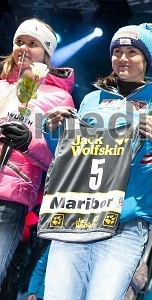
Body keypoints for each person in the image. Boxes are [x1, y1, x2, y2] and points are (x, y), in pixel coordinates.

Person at [42, 23, 152, 300]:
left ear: (146, 59)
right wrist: (51, 131)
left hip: (127, 223)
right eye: (117, 51)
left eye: (132, 52)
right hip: (75, 215)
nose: (123, 58)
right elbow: (67, 157)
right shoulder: (90, 100)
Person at [0, 18, 75, 287]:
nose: (24, 48)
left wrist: (28, 143)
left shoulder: (59, 98)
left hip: (9, 198)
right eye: (19, 42)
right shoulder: (0, 87)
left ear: (47, 54)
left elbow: (60, 159)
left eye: (33, 44)